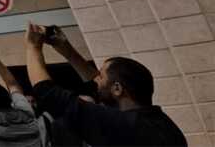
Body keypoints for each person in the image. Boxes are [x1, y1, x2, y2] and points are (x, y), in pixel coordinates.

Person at [24, 23, 187, 146]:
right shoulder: (161, 124)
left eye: (100, 76)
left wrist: (33, 47)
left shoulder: (124, 126)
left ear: (117, 89)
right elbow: (97, 86)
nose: (96, 80)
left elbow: (48, 93)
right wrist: (66, 49)